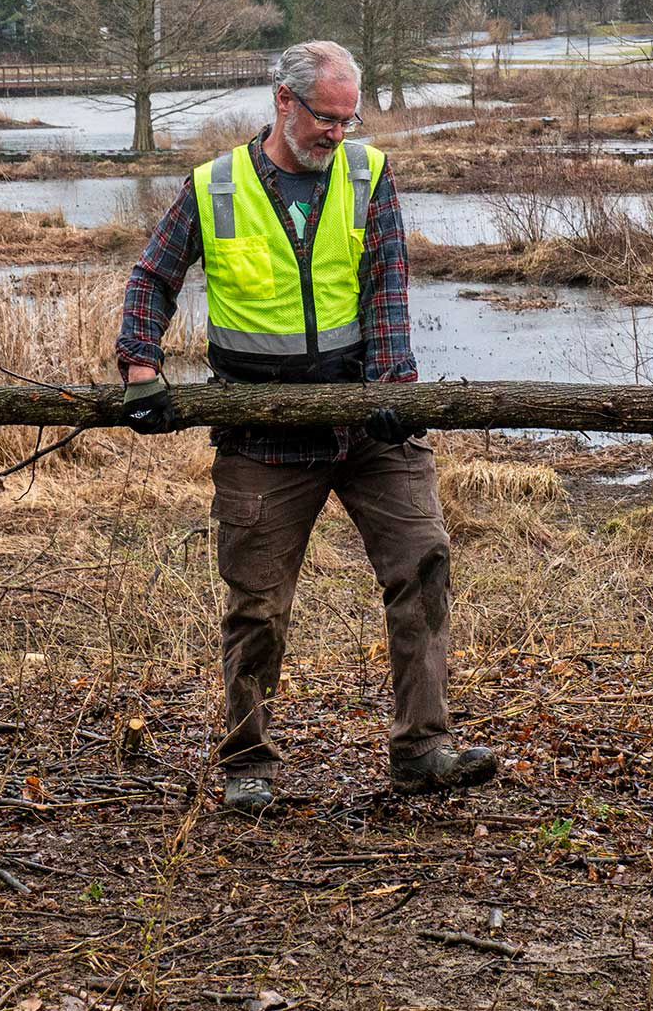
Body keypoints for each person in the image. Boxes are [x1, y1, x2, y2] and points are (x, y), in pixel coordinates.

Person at [115, 40, 497, 814]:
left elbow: (388, 280)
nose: (339, 134)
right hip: (260, 432)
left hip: (369, 423)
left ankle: (422, 750)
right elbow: (153, 276)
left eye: (349, 119)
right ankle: (247, 762)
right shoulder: (213, 187)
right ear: (283, 102)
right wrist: (140, 369)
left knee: (423, 566)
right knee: (257, 603)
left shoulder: (367, 175)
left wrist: (395, 386)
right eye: (327, 118)